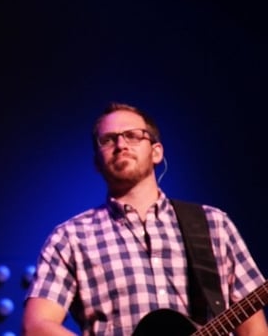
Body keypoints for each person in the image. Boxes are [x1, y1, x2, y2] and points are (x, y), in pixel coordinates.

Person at [21, 102, 268, 336]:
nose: (121, 144)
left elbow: (253, 327)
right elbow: (37, 325)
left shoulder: (214, 224)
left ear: (156, 152)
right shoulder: (71, 237)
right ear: (97, 161)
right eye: (108, 140)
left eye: (133, 135)